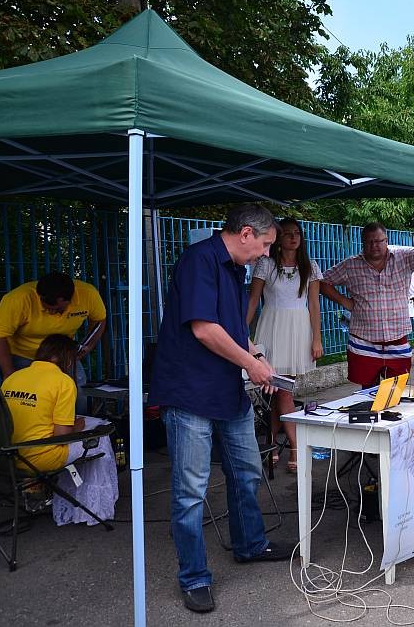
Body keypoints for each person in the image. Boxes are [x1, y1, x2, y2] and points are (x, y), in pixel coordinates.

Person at [151, 203, 292, 614]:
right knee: (191, 491)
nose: (266, 253)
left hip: (226, 391)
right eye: (265, 244)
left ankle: (250, 544)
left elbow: (231, 328)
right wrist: (251, 364)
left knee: (246, 470)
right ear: (246, 233)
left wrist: (256, 356)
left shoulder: (234, 267)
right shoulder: (199, 260)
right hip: (190, 393)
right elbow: (204, 329)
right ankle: (194, 577)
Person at [1, 334, 118, 525]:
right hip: (41, 457)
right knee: (100, 436)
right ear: (68, 359)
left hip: (8, 457)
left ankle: (56, 497)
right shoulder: (62, 382)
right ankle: (93, 508)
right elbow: (62, 435)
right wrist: (78, 425)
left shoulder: (13, 378)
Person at [320, 222, 414, 388]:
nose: (374, 246)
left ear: (386, 240)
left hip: (397, 339)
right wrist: (344, 301)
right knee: (367, 393)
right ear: (363, 243)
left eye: (379, 241)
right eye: (369, 242)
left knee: (396, 390)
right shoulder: (351, 265)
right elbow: (322, 282)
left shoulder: (403, 258)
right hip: (363, 341)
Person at [246, 218, 323, 474]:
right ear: (278, 238)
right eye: (288, 233)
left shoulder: (310, 266)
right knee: (279, 391)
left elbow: (314, 305)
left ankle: (277, 444)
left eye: (297, 233)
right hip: (272, 327)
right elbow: (254, 299)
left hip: (298, 329)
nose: (293, 237)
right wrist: (241, 330)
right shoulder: (266, 264)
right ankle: (294, 446)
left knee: (280, 391)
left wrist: (316, 338)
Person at [0, 271, 106, 411]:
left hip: (62, 353)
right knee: (26, 395)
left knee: (77, 386)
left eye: (58, 309)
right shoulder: (18, 299)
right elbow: (0, 335)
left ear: (71, 298)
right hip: (23, 354)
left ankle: (81, 421)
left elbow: (99, 320)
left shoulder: (88, 294)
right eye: (47, 308)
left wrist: (86, 347)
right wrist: (9, 373)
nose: (52, 312)